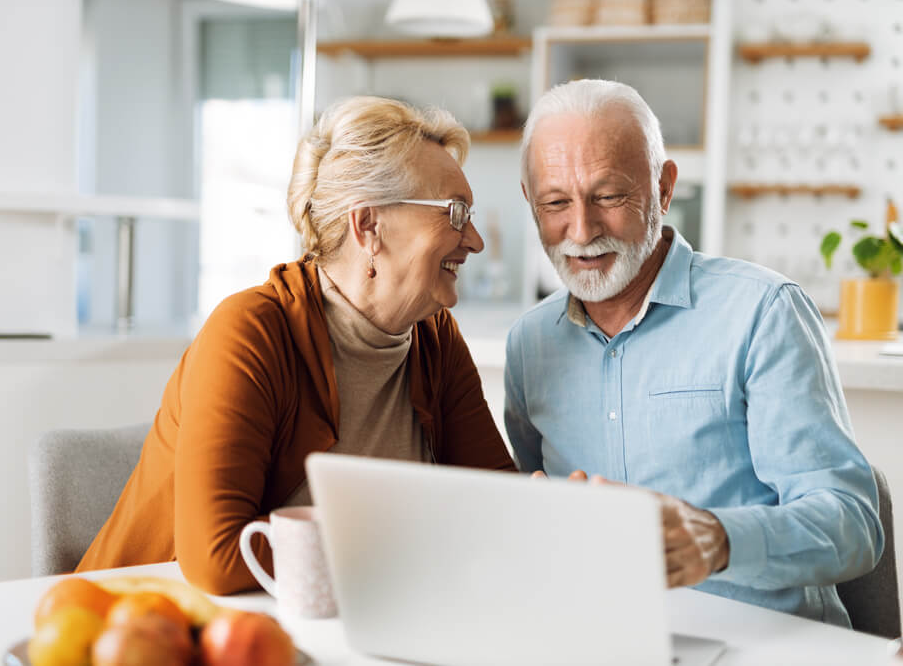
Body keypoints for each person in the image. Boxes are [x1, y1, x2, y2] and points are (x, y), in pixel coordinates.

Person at [77, 96, 516, 594]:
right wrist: (419, 538)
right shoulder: (250, 332)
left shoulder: (434, 336)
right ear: (368, 225)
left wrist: (547, 505)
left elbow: (494, 504)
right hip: (154, 630)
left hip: (336, 626)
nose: (475, 239)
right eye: (455, 213)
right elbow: (218, 557)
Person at [504, 79, 883, 626]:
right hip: (605, 641)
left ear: (663, 188)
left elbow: (853, 525)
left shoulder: (763, 312)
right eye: (556, 202)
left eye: (609, 196)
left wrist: (720, 540)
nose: (581, 230)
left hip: (769, 647)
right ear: (529, 202)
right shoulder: (529, 344)